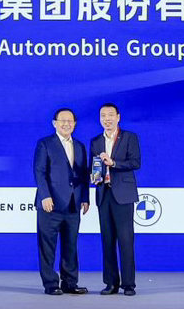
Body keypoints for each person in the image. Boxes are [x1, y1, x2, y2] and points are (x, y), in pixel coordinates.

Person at [34, 108, 90, 296]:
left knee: (71, 246)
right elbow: (39, 172)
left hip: (74, 205)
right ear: (54, 123)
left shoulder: (80, 146)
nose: (66, 124)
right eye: (62, 120)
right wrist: (45, 196)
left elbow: (84, 175)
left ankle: (70, 283)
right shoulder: (45, 144)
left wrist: (85, 198)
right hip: (50, 205)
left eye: (70, 121)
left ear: (75, 124)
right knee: (47, 247)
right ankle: (51, 284)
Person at [90, 102, 140, 296]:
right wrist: (94, 176)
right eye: (103, 116)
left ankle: (129, 284)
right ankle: (111, 283)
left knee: (126, 241)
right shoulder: (95, 141)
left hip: (123, 195)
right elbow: (94, 165)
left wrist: (114, 163)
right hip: (104, 194)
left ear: (118, 117)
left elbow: (135, 162)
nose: (107, 119)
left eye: (110, 115)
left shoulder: (129, 137)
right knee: (107, 240)